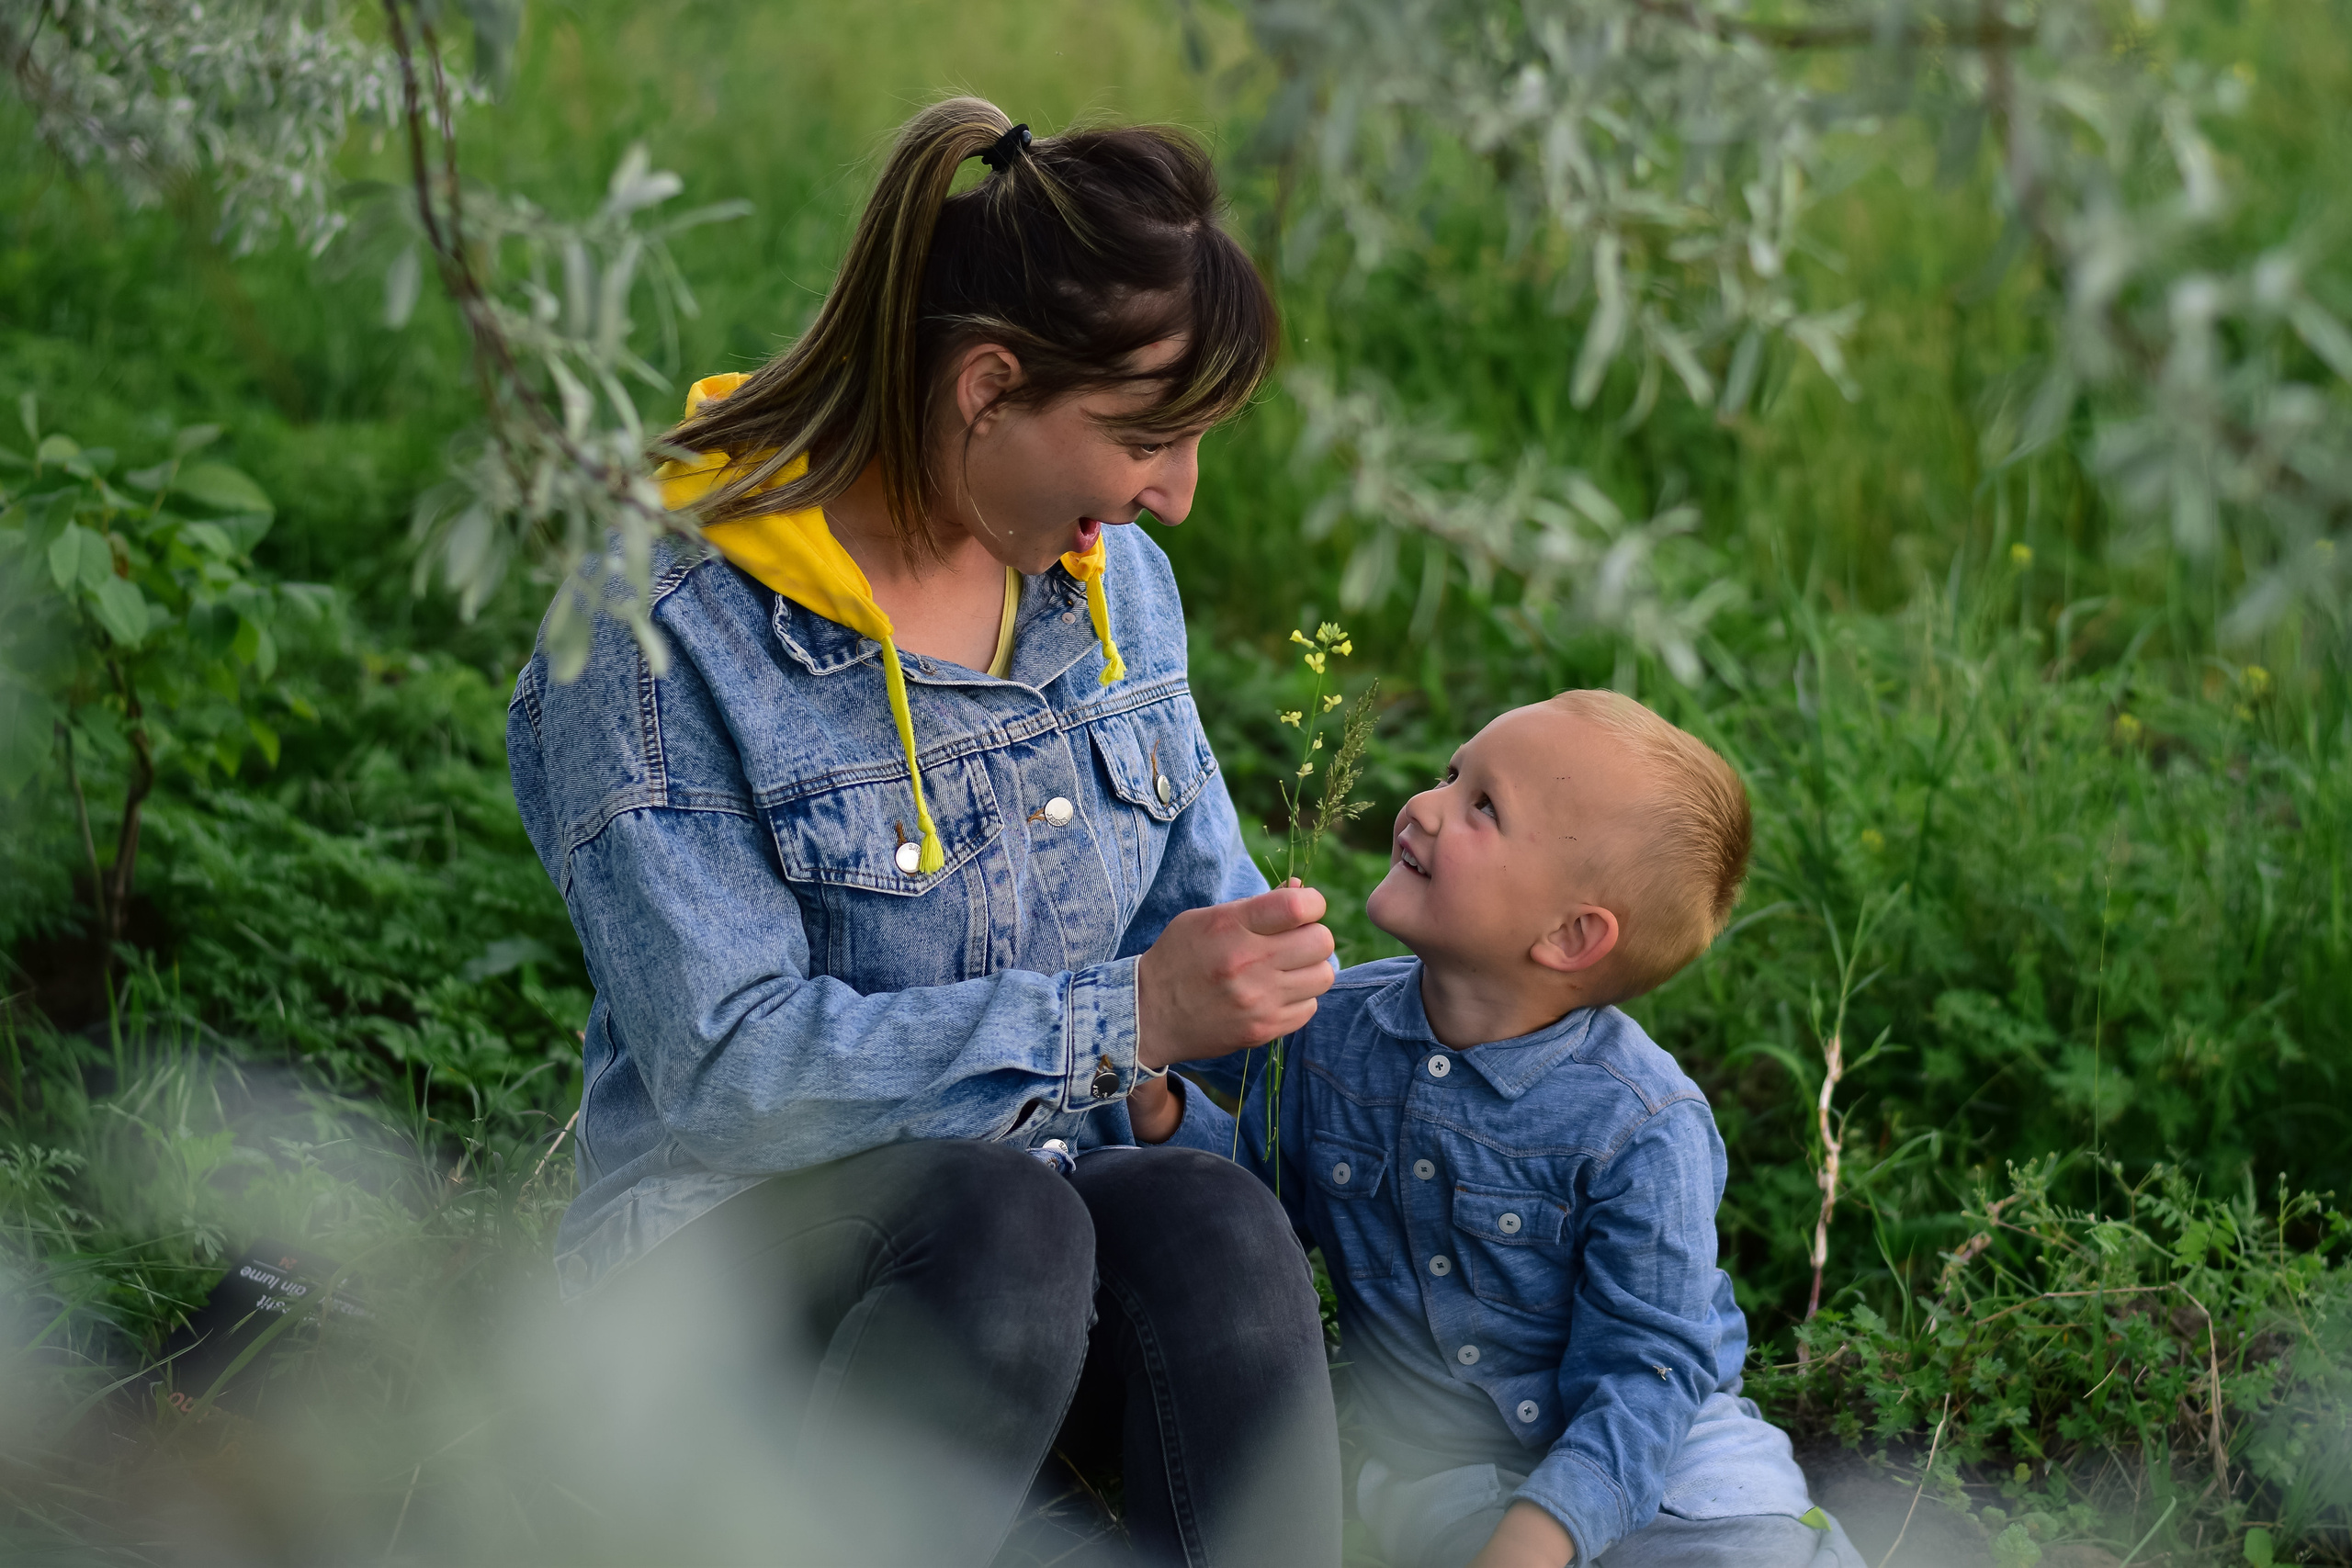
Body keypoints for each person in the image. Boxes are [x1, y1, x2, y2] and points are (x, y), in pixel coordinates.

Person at [506, 99, 1341, 1565]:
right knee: (1000, 1221)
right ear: (988, 386)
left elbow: (1187, 963)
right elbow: (730, 1076)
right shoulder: (654, 629)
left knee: (1213, 1218)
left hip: (1051, 1259)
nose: (1175, 496)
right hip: (735, 1311)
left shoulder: (1110, 581)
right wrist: (1123, 1016)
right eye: (1148, 436)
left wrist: (1187, 1054)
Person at [1128, 692, 1865, 1568]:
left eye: (1483, 806)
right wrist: (1165, 1108)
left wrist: (1541, 1534)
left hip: (1669, 1461)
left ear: (1569, 935)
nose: (1424, 805)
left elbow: (1649, 1370)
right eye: (1451, 773)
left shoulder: (1640, 1123)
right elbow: (1261, 1207)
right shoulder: (1329, 1036)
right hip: (1447, 1470)